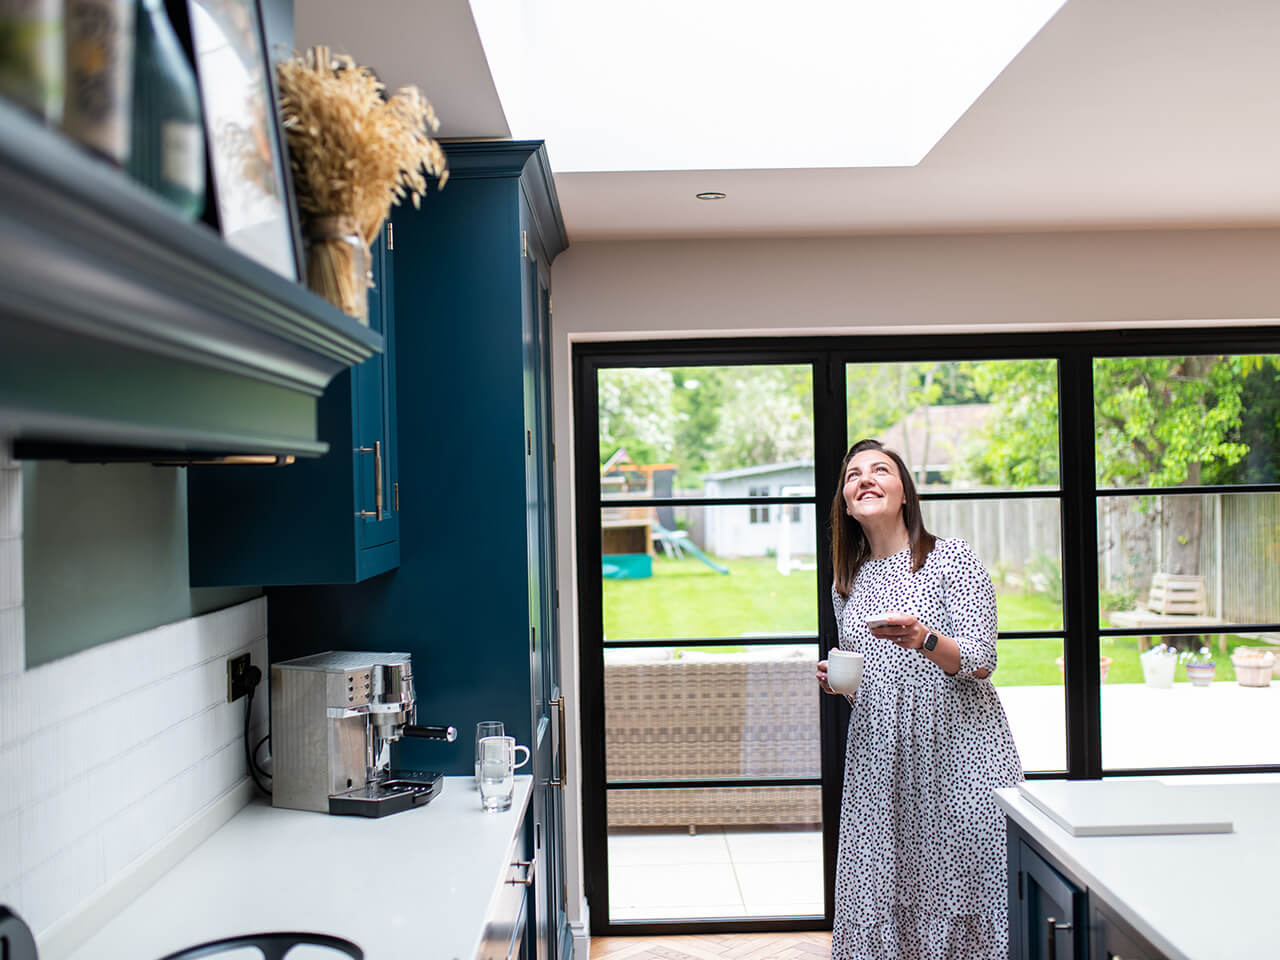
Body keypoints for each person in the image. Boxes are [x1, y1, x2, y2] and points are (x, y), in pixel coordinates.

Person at [817, 438, 1023, 960]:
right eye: (853, 475)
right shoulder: (849, 583)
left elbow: (980, 663)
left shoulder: (951, 559)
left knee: (967, 880)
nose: (865, 478)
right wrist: (842, 684)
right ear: (845, 503)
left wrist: (924, 639)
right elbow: (874, 682)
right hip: (882, 759)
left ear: (903, 491)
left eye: (880, 470)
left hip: (959, 751)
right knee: (885, 885)